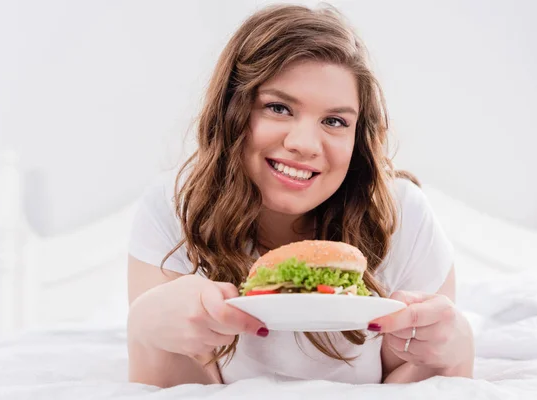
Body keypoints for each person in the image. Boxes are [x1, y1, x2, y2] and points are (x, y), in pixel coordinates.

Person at [126, 3, 475, 388]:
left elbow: (415, 380)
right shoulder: (175, 205)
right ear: (231, 111)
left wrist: (457, 352)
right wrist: (146, 334)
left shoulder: (401, 214)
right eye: (278, 108)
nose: (305, 145)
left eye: (334, 121)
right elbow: (178, 389)